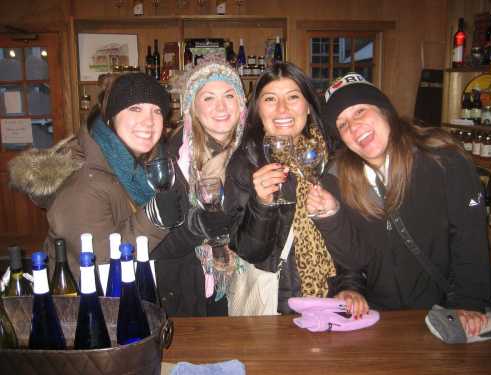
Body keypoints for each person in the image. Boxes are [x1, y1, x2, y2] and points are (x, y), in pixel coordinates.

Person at [315, 72, 491, 336]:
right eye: (342, 124)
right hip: (379, 320)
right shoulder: (338, 177)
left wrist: (468, 302)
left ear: (385, 111)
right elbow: (353, 257)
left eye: (360, 111)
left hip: (446, 314)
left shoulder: (443, 159)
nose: (353, 127)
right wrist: (350, 288)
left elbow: (470, 238)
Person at [225, 63, 367, 316]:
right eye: (270, 99)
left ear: (308, 106)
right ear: (258, 109)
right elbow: (249, 252)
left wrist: (351, 287)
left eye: (293, 97)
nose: (282, 108)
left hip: (332, 303)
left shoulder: (334, 161)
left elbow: (353, 243)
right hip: (276, 308)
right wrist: (262, 204)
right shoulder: (244, 163)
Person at [8, 72, 181, 277]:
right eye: (135, 108)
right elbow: (101, 263)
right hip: (85, 303)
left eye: (157, 111)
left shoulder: (143, 163)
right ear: (110, 118)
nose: (149, 121)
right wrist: (155, 219)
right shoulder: (82, 182)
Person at [152, 58, 246, 316]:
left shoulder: (255, 155)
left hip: (244, 285)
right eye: (208, 98)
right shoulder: (169, 160)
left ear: (242, 104)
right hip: (186, 288)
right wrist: (199, 226)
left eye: (229, 95)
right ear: (192, 108)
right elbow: (155, 245)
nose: (221, 107)